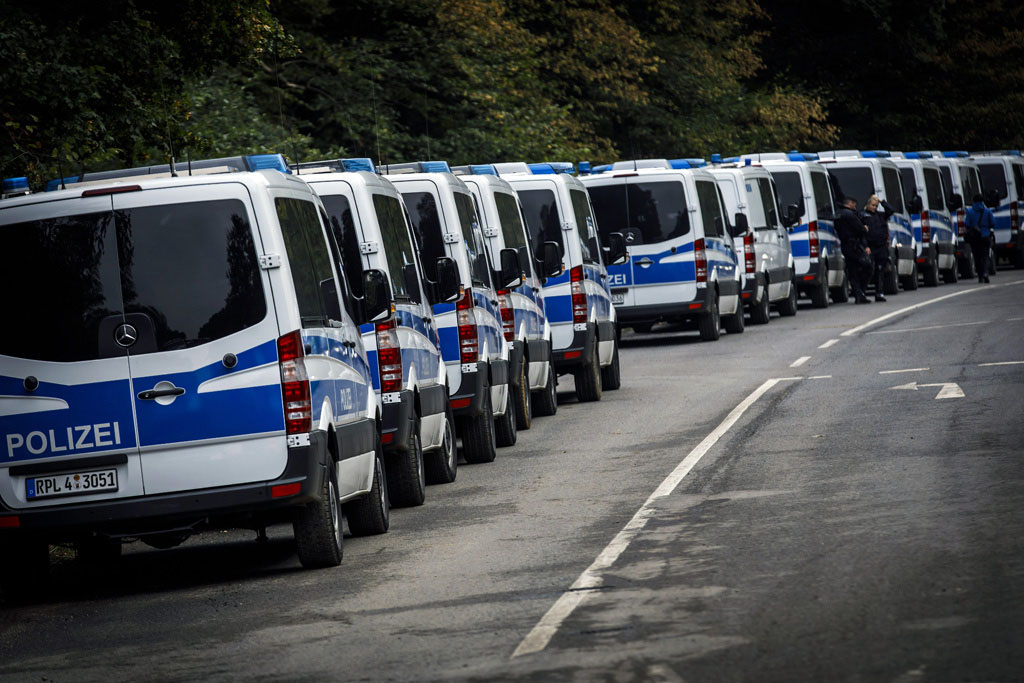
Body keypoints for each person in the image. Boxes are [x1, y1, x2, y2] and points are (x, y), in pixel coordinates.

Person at [835, 195, 872, 304]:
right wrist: (865, 228)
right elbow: (861, 229)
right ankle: (861, 292)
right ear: (850, 203)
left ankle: (858, 295)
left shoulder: (838, 214)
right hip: (854, 246)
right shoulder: (850, 215)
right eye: (854, 205)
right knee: (868, 266)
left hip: (845, 245)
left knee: (852, 271)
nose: (855, 207)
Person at [861, 194, 894, 301]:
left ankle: (879, 293)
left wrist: (881, 201)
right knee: (868, 269)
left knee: (880, 270)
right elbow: (861, 233)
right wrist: (865, 245)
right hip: (870, 247)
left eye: (876, 206)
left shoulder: (880, 215)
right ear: (868, 204)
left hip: (881, 247)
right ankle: (862, 291)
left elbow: (891, 210)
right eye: (872, 205)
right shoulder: (863, 216)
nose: (874, 207)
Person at [965, 193, 995, 283]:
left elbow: (966, 224)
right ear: (982, 201)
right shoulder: (987, 211)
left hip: (974, 238)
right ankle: (986, 272)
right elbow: (992, 223)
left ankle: (980, 276)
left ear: (973, 201)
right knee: (985, 256)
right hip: (985, 236)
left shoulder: (970, 211)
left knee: (977, 257)